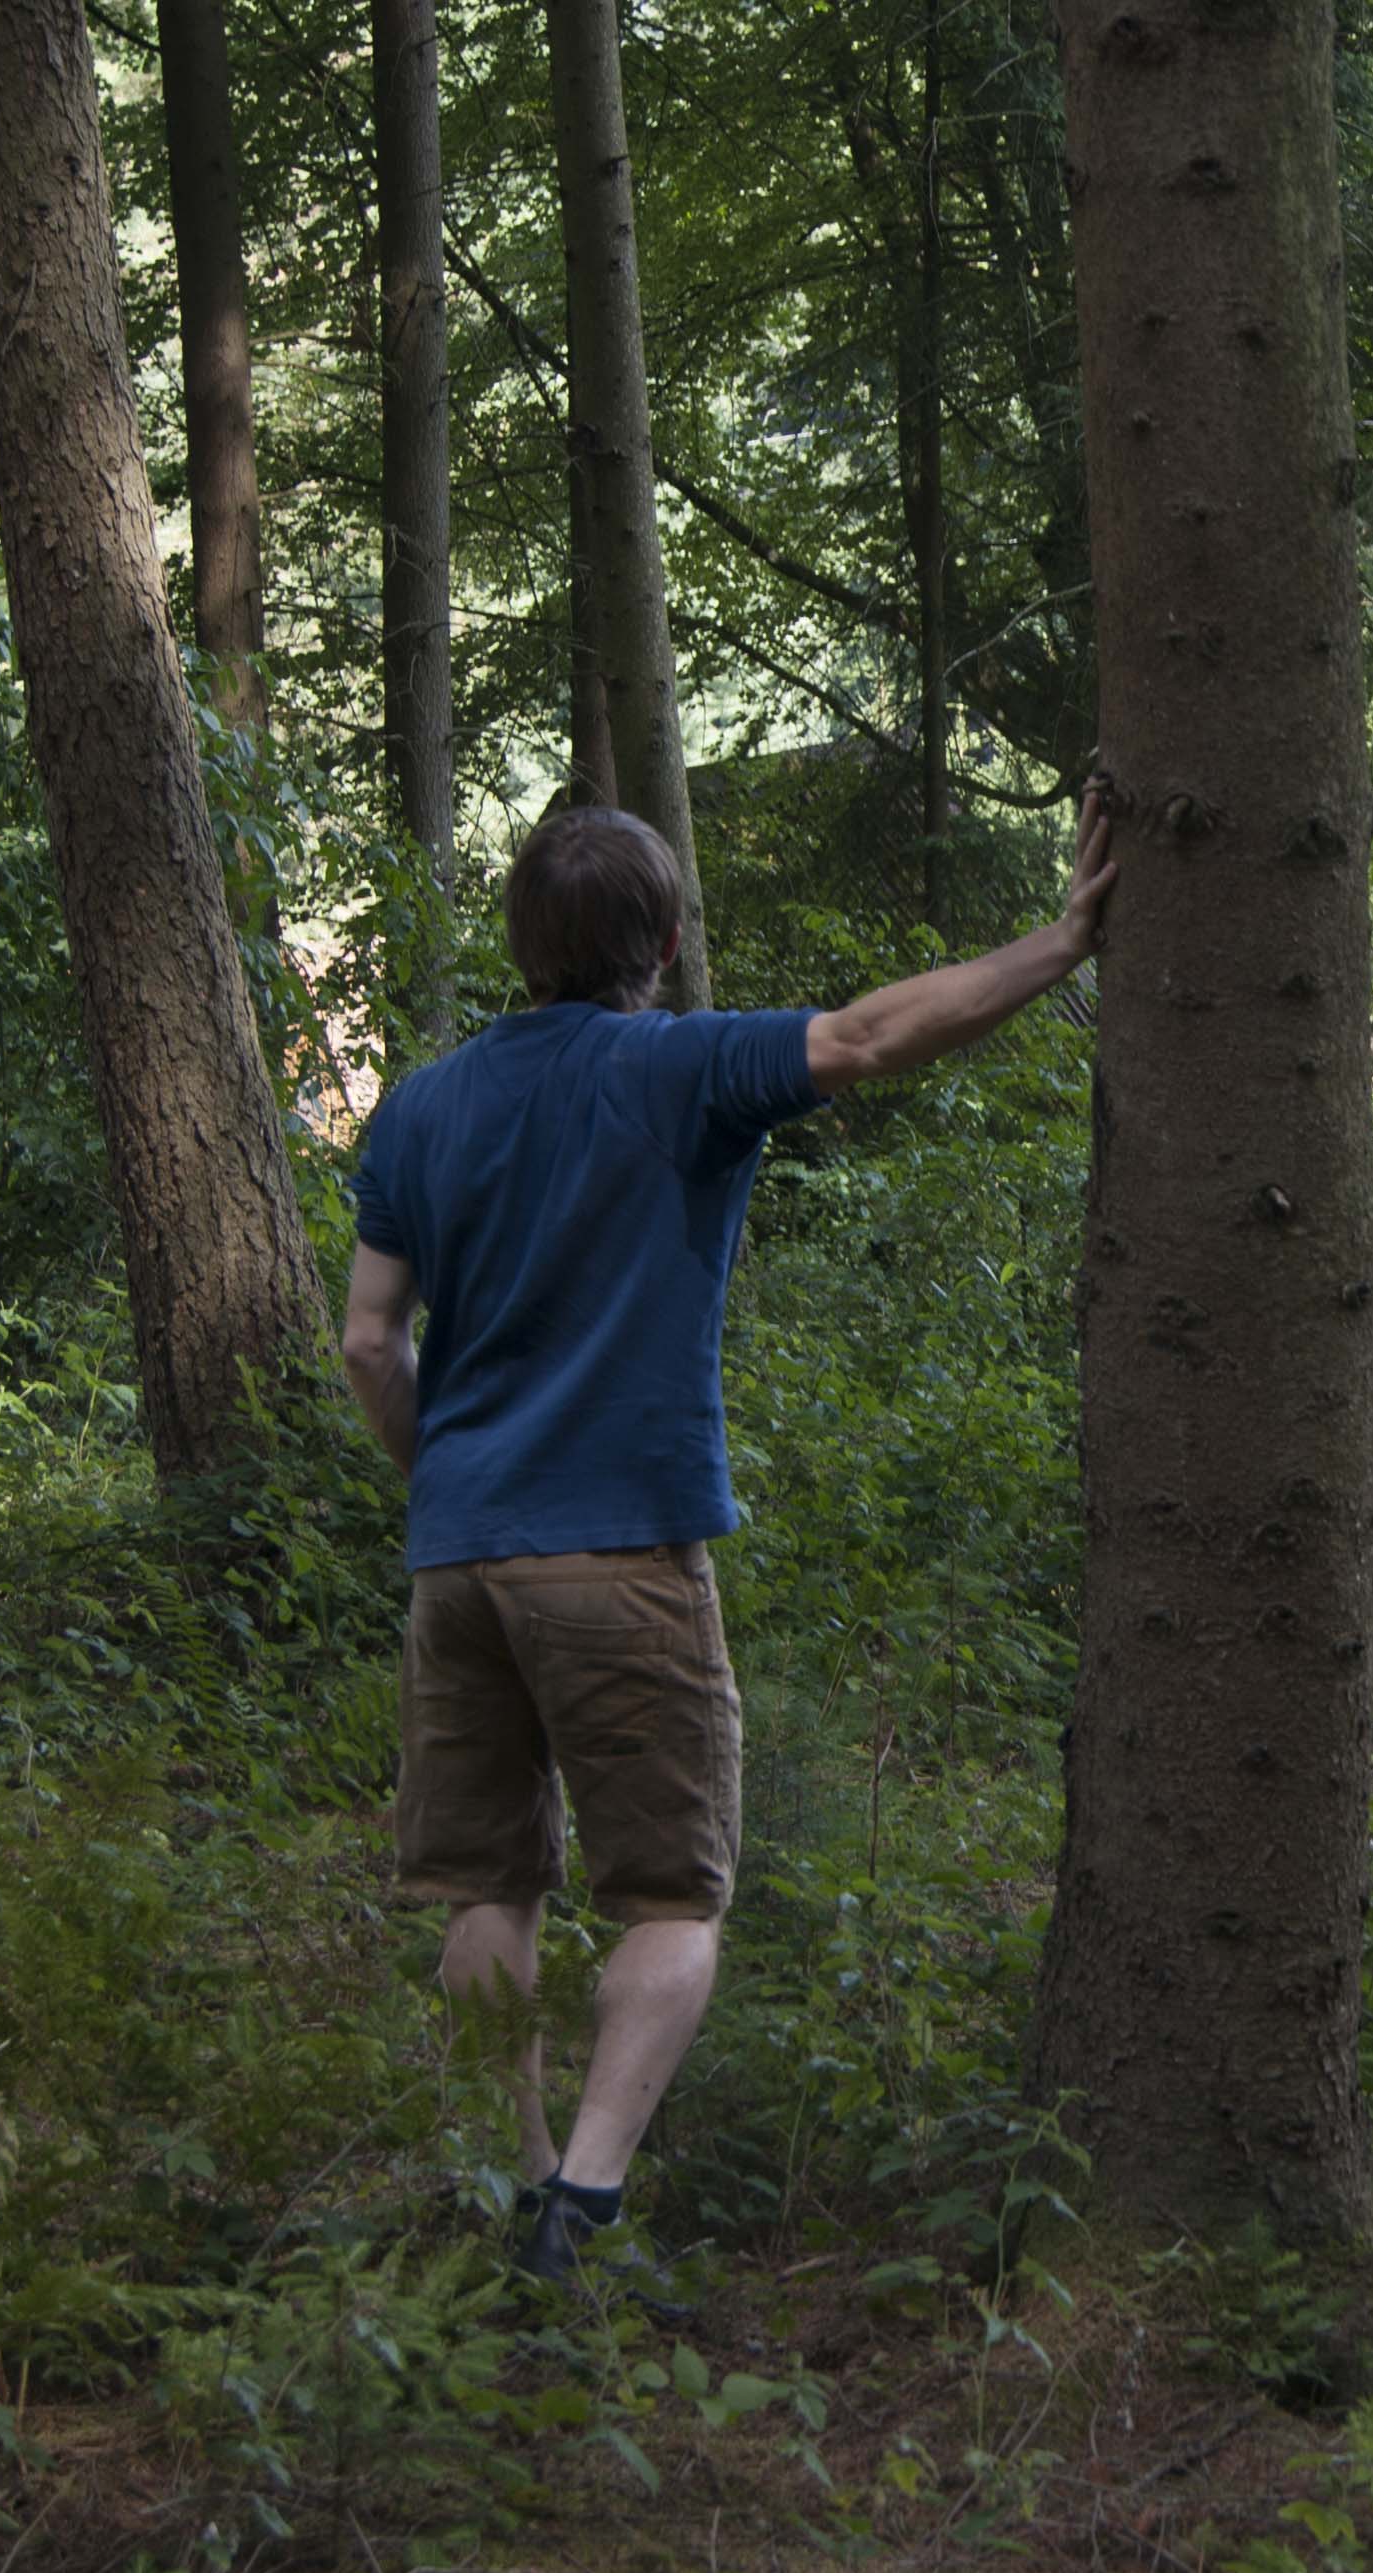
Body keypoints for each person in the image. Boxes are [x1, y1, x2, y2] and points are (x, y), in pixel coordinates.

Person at [339, 790, 1118, 2276]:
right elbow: (877, 1036)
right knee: (670, 1895)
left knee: (486, 1887)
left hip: (457, 1562)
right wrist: (1063, 943)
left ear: (519, 946)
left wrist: (447, 1480)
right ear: (670, 942)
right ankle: (581, 2203)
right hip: (618, 1552)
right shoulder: (683, 1069)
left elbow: (373, 1343)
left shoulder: (422, 1106)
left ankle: (504, 2184)